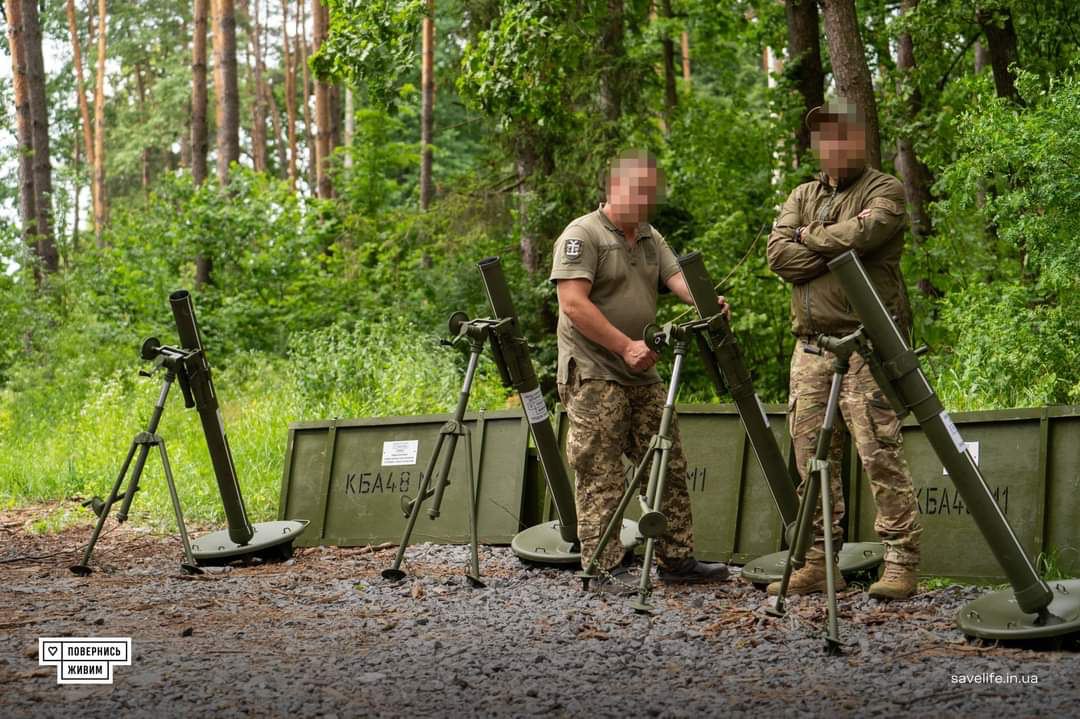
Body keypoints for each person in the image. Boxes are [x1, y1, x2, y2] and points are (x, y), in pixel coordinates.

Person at [550, 150, 729, 593]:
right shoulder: (582, 234)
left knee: (666, 462)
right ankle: (604, 566)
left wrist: (706, 301)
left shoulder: (650, 236)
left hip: (640, 371)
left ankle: (677, 559)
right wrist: (625, 345)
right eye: (639, 192)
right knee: (601, 470)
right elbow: (573, 304)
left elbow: (675, 279)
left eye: (651, 193)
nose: (647, 201)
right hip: (594, 372)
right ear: (614, 189)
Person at [766, 98, 922, 600]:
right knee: (810, 458)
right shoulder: (802, 193)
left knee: (879, 451)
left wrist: (809, 238)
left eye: (841, 136)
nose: (831, 146)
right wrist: (829, 246)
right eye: (823, 137)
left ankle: (900, 562)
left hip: (866, 346)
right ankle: (816, 561)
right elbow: (777, 255)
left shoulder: (885, 189)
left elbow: (865, 233)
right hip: (811, 348)